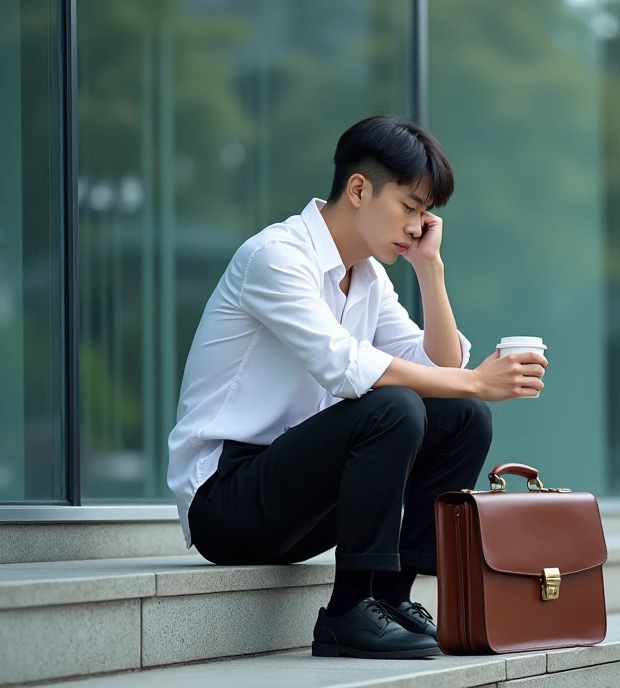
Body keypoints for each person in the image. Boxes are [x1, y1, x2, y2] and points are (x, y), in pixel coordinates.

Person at [167, 115, 548, 660]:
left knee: (464, 416)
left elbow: (436, 366)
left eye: (426, 214)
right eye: (409, 207)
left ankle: (389, 602)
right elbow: (345, 367)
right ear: (359, 188)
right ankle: (347, 611)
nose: (418, 226)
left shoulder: (368, 277)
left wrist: (430, 270)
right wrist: (475, 380)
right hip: (227, 500)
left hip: (300, 498)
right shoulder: (276, 256)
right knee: (392, 406)